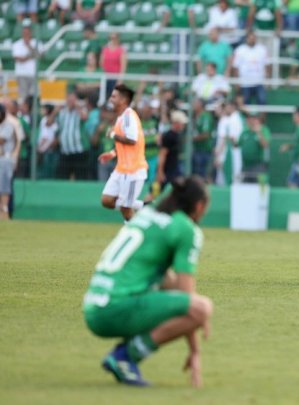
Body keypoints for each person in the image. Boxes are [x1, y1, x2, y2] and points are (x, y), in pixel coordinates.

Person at [83, 175, 213, 387]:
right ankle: (126, 355)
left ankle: (125, 353)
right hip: (115, 308)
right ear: (199, 206)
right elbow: (188, 301)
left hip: (93, 308)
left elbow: (169, 283)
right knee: (203, 307)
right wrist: (195, 351)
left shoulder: (147, 215)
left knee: (185, 298)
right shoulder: (185, 229)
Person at [98, 84, 149, 221]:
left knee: (126, 209)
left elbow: (132, 140)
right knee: (107, 200)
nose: (110, 99)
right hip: (121, 169)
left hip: (132, 170)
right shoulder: (121, 117)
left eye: (114, 97)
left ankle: (135, 235)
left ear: (123, 100)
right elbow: (127, 144)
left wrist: (113, 135)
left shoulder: (128, 116)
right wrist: (113, 153)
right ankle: (146, 206)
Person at [0, 105, 20, 220]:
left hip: (6, 160)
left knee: (5, 187)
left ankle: (5, 210)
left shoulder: (8, 125)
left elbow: (1, 140)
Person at [156, 111, 186, 188]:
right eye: (182, 123)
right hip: (167, 170)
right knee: (155, 190)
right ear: (176, 123)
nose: (183, 125)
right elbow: (162, 154)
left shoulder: (177, 136)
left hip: (175, 170)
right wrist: (160, 172)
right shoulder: (169, 136)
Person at [12, 21, 41, 102]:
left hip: (33, 74)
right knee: (23, 98)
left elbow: (39, 55)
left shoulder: (35, 42)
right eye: (24, 32)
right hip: (21, 75)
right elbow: (19, 59)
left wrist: (29, 46)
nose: (26, 34)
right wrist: (31, 55)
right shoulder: (17, 44)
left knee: (34, 97)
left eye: (28, 32)